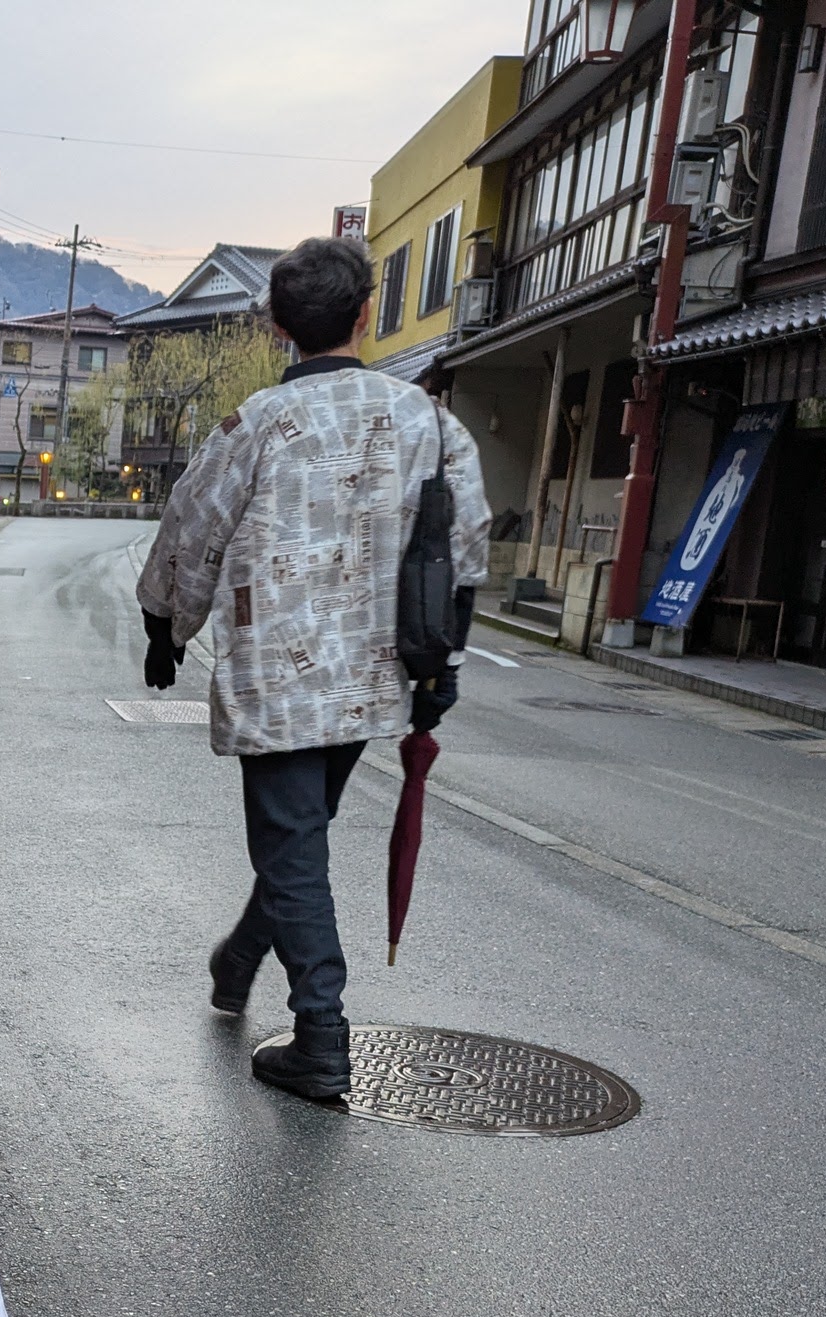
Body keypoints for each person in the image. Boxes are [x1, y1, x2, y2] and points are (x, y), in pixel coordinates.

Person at [136, 235, 490, 1100]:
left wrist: (165, 628)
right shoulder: (429, 422)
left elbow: (193, 528)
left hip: (278, 674)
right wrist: (442, 665)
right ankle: (240, 958)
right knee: (300, 840)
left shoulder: (255, 422)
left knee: (293, 844)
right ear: (366, 314)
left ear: (275, 324)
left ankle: (321, 1034)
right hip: (377, 670)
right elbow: (466, 541)